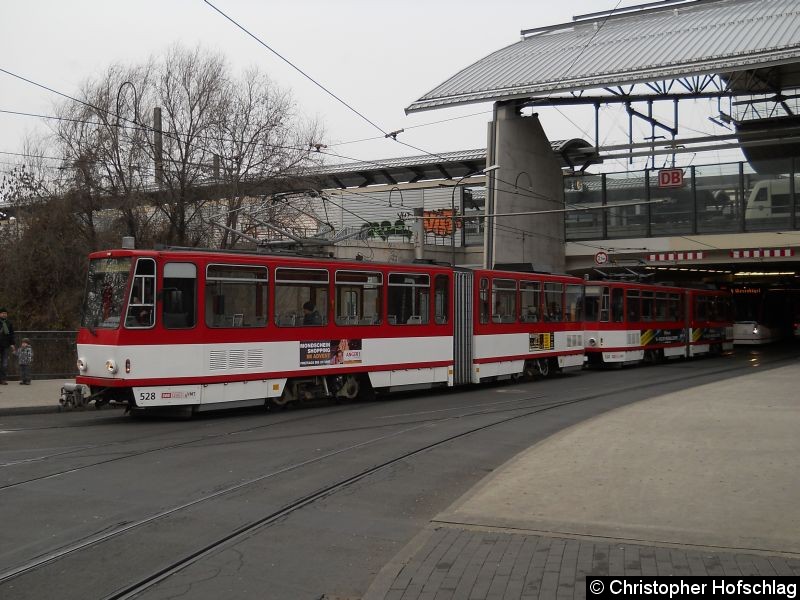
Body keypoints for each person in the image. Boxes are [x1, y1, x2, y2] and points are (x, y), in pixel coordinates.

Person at [0, 308, 15, 385]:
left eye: (5, 313)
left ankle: (3, 379)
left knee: (4, 363)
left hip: (5, 345)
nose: (4, 314)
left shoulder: (9, 323)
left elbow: (11, 334)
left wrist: (12, 344)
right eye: (2, 313)